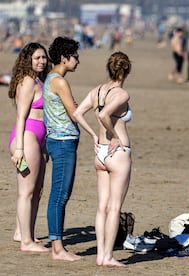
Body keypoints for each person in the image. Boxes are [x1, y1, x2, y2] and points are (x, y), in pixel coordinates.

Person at [74, 51, 132, 267]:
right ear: (127, 70)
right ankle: (107, 256)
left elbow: (78, 113)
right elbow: (103, 115)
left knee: (102, 207)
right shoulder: (121, 94)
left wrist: (92, 135)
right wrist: (115, 136)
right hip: (117, 153)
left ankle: (101, 254)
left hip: (100, 153)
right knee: (115, 207)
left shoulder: (97, 90)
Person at [8, 42, 50, 252]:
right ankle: (27, 242)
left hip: (39, 140)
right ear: (28, 60)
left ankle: (23, 233)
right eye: (37, 58)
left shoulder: (38, 81)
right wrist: (20, 149)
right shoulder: (26, 82)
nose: (42, 61)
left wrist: (45, 148)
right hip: (27, 137)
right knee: (26, 191)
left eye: (44, 57)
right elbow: (20, 116)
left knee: (37, 190)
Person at [43, 36, 81, 261]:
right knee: (59, 195)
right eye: (75, 56)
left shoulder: (52, 78)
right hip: (62, 142)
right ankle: (57, 248)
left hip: (59, 141)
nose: (78, 61)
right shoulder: (58, 80)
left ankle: (58, 244)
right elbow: (73, 111)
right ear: (63, 58)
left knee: (60, 194)